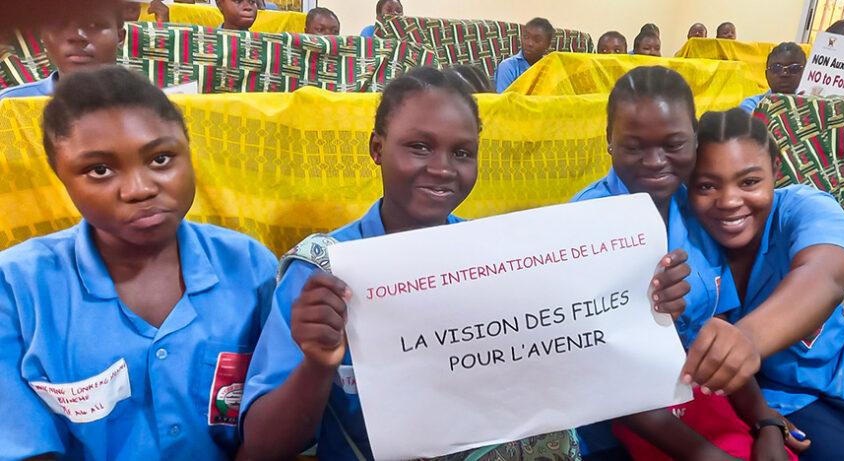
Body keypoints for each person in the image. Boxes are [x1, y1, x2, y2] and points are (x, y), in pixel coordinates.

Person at [239, 67, 614, 460]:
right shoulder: (322, 273)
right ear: (377, 148)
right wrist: (317, 366)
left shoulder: (496, 259)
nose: (442, 169)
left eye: (462, 153)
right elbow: (264, 446)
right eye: (419, 147)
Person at [0, 65, 277, 460]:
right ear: (61, 177)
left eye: (161, 159)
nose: (140, 189)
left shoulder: (250, 267)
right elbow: (23, 445)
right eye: (99, 170)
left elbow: (276, 419)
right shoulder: (16, 287)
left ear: (188, 151)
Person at [687, 108, 844, 461]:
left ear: (776, 170)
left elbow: (828, 271)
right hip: (767, 396)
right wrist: (761, 415)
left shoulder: (803, 207)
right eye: (707, 185)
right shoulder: (685, 239)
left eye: (749, 182)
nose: (730, 201)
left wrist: (747, 339)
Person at [572, 66, 798, 461]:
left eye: (673, 144)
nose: (654, 161)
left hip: (701, 401)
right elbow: (602, 371)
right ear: (609, 139)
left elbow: (718, 328)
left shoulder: (698, 208)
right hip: (618, 425)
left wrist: (765, 421)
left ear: (694, 137)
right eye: (634, 146)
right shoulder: (584, 225)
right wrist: (705, 455)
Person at [0, 1, 124, 100]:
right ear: (43, 36)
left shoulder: (136, 103)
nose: (77, 36)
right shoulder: (11, 105)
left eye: (94, 25)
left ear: (120, 36)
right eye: (60, 25)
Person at [739, 42, 806, 113]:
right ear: (766, 74)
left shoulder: (813, 104)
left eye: (794, 68)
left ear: (805, 72)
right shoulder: (751, 105)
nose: (784, 74)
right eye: (776, 68)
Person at [495, 17, 554, 92]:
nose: (529, 43)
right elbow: (503, 98)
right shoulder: (508, 66)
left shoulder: (550, 67)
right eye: (526, 37)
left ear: (548, 44)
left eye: (537, 40)